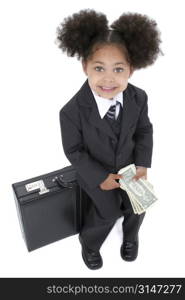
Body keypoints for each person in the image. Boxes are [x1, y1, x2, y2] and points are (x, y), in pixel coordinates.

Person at [56, 9, 162, 270]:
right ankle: (89, 243)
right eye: (99, 68)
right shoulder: (71, 112)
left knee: (138, 206)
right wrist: (99, 177)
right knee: (107, 212)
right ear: (85, 67)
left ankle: (131, 236)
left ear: (131, 69)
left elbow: (144, 131)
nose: (108, 79)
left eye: (118, 69)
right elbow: (74, 151)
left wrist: (142, 165)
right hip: (95, 173)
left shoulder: (139, 98)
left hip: (129, 168)